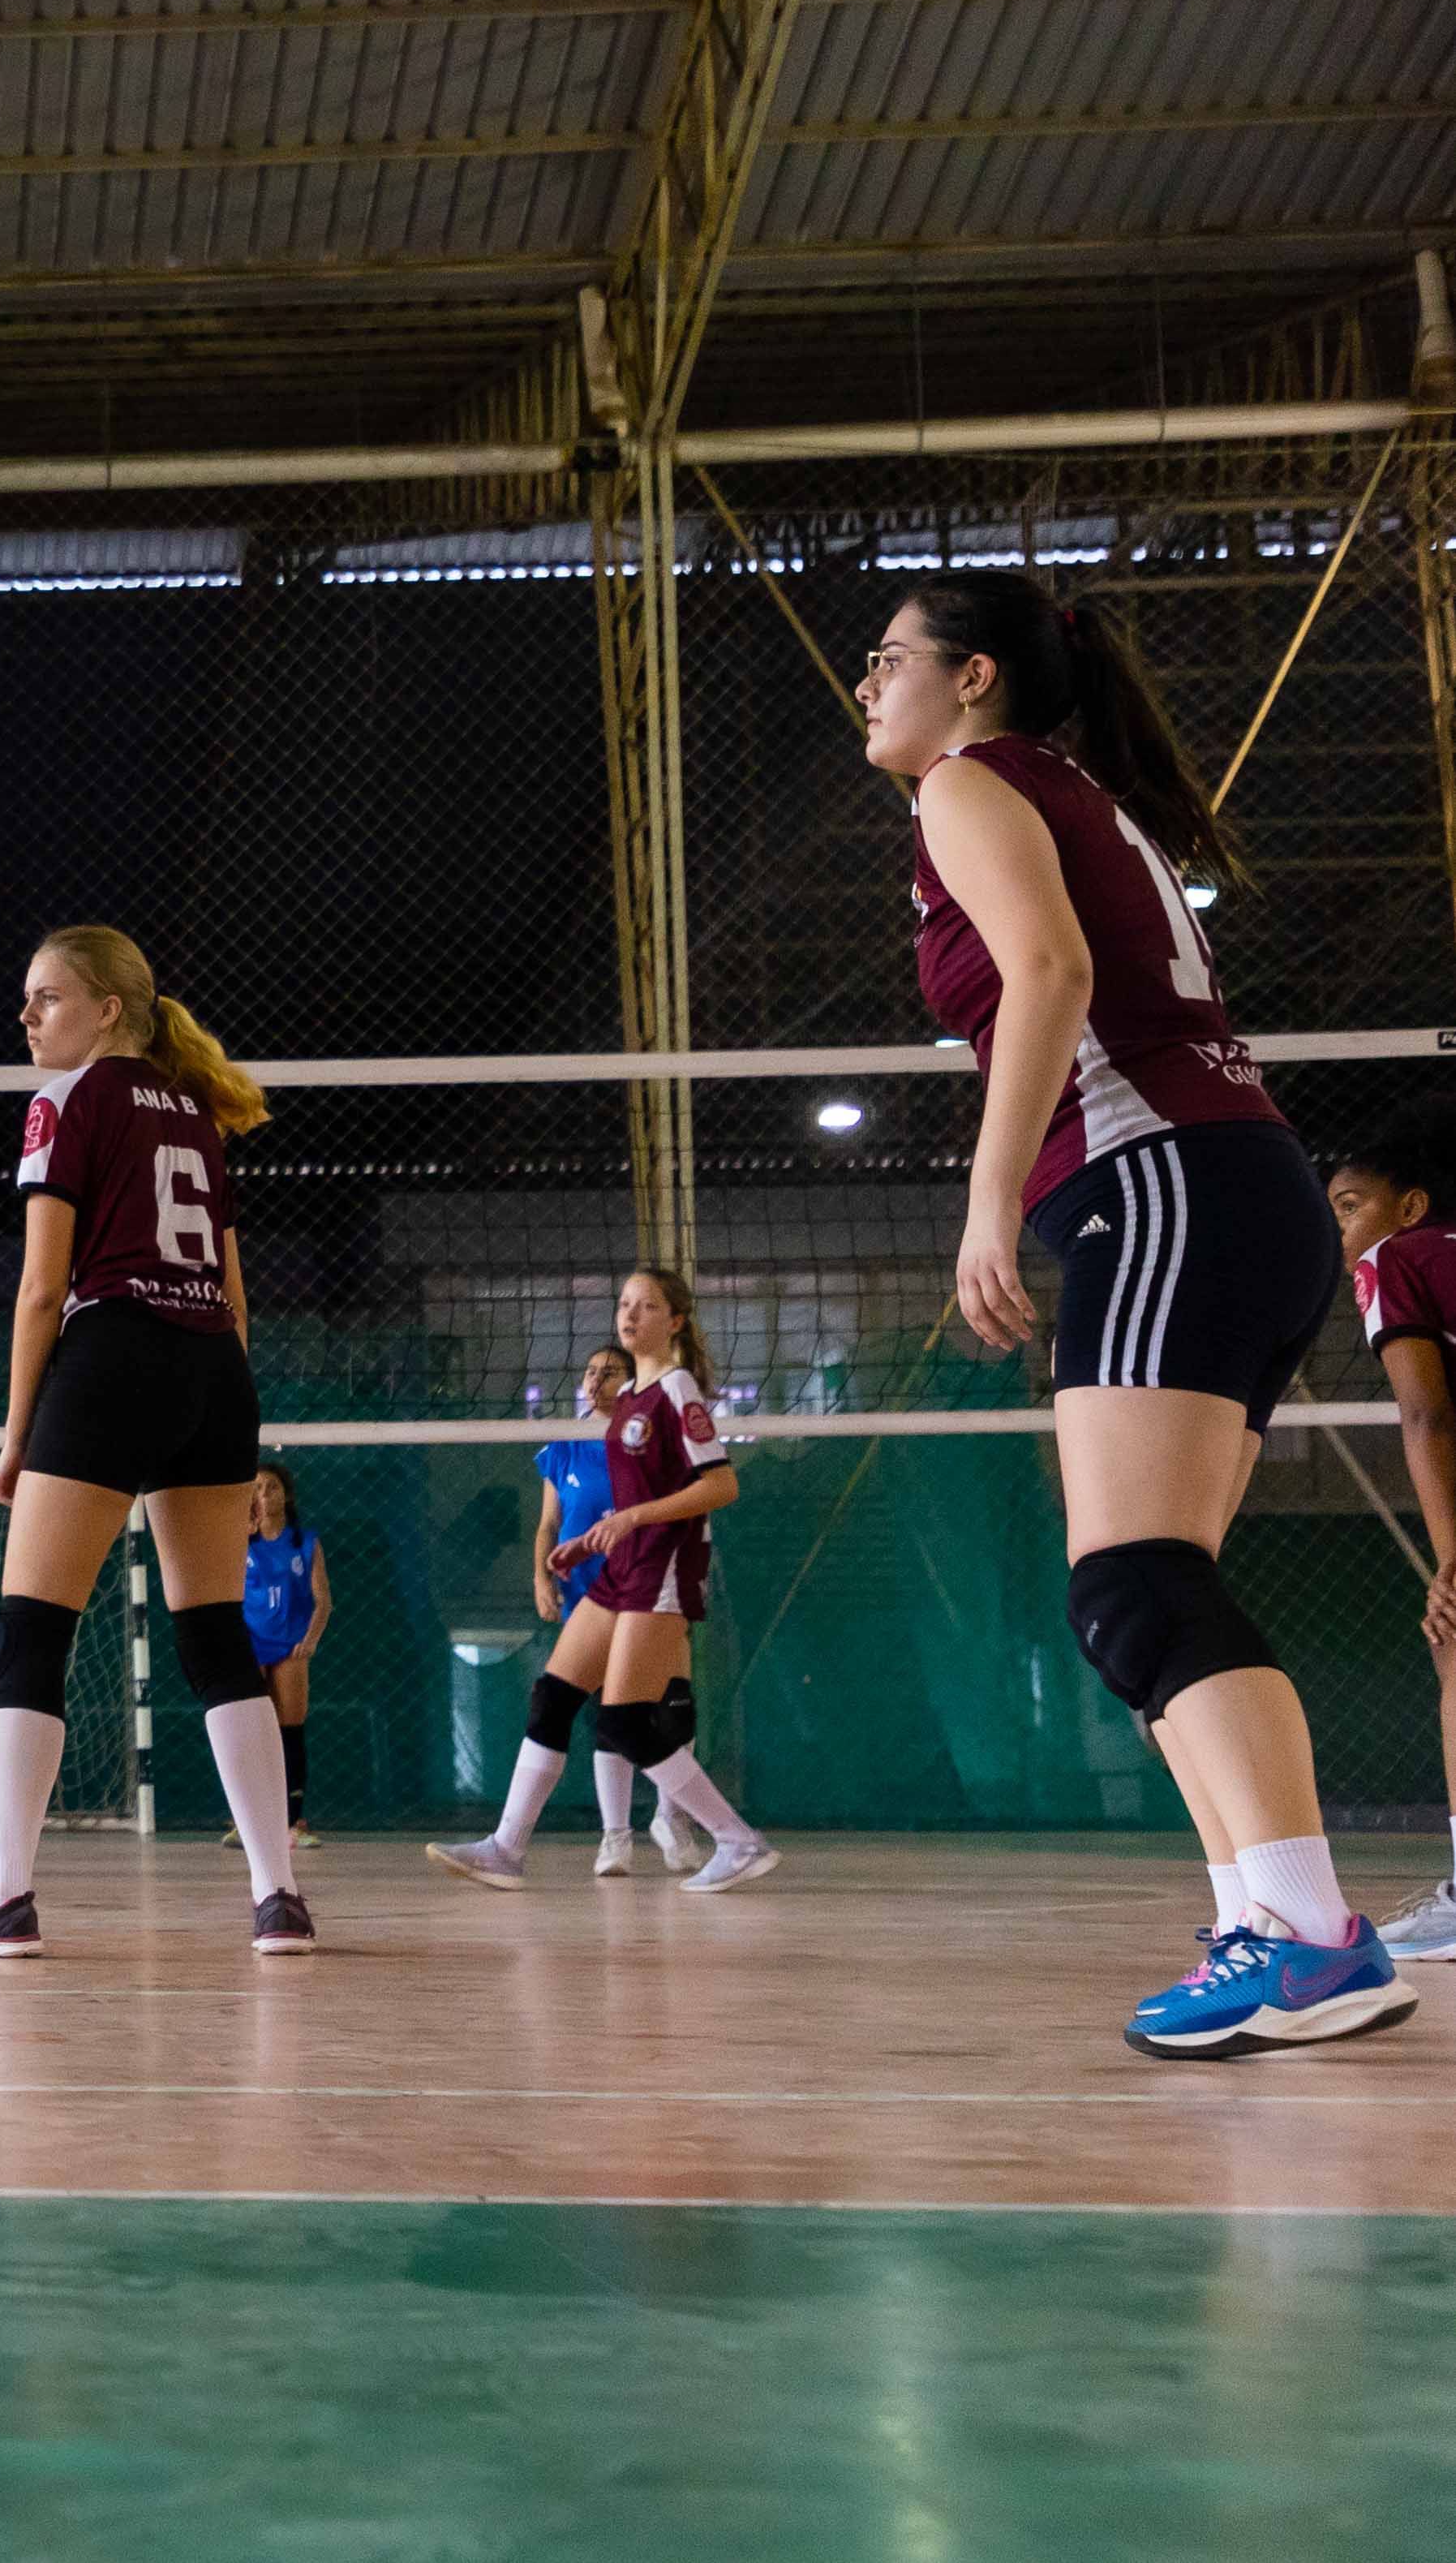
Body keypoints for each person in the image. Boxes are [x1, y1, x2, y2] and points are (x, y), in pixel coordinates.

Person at [861, 566, 1404, 2058]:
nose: (866, 681)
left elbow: (1049, 971)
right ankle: (1265, 1921)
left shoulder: (971, 782)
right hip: (1228, 1186)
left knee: (1133, 1588)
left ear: (972, 677)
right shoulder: (1068, 790)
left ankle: (1308, 1937)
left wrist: (985, 1201)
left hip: (1160, 1182)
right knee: (1153, 1592)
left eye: (887, 656)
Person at [0, 927, 313, 1959]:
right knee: (214, 1635)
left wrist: (15, 1435)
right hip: (215, 1371)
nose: (26, 1015)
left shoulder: (66, 1101)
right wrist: (217, 1399)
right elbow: (231, 1291)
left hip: (113, 1356)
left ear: (108, 1010)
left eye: (45, 997)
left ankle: (2, 1896)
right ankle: (278, 1898)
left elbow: (42, 1286)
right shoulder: (198, 1116)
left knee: (32, 1628)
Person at [429, 1274, 775, 1896]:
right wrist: (590, 1538)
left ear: (674, 1321)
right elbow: (631, 1495)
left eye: (646, 1305)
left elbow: (721, 1485)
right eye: (623, 1303)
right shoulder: (633, 1397)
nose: (629, 1313)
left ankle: (737, 1840)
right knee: (552, 1698)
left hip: (663, 1565)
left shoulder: (674, 1388)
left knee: (624, 1722)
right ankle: (505, 1848)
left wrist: (631, 1519)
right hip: (622, 1564)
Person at [1330, 1095, 1456, 1958]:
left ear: (1407, 1207)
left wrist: (1451, 1562)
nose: (1339, 1233)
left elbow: (1426, 1417)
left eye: (1347, 1208)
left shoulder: (1393, 1260)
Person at [525, 1343, 703, 1874]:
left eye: (609, 1372)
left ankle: (672, 1819)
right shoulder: (562, 1446)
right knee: (607, 1707)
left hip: (651, 1582)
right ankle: (614, 1836)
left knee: (674, 1697)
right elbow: (547, 1525)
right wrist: (539, 1576)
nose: (595, 1380)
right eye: (589, 1372)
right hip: (588, 1592)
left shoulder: (647, 1438)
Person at [230, 1462, 329, 1855]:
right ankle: (248, 1821)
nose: (264, 1494)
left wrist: (311, 1639)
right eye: (255, 1488)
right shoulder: (240, 1542)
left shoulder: (304, 1542)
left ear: (285, 1494)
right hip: (252, 1644)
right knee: (252, 1730)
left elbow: (324, 1601)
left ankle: (293, 1821)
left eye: (271, 1487)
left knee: (290, 1729)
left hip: (290, 1646)